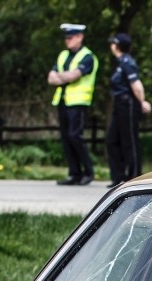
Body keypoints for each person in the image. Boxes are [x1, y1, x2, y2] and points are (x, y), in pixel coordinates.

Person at [48, 23, 99, 186]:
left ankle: (88, 172)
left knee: (75, 136)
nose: (67, 41)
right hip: (62, 100)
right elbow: (51, 78)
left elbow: (74, 76)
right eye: (66, 38)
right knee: (66, 138)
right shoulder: (63, 55)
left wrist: (61, 77)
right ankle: (74, 173)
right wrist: (65, 76)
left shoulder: (88, 56)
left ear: (80, 37)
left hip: (78, 102)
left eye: (70, 38)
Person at [106, 32, 152, 188]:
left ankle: (134, 175)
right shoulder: (119, 63)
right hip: (119, 104)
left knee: (129, 141)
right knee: (112, 140)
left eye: (113, 43)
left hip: (128, 104)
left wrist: (142, 102)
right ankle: (118, 177)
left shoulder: (127, 62)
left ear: (117, 46)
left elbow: (136, 86)